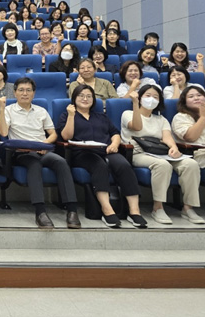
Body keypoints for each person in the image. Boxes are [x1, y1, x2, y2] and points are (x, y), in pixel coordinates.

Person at [57, 84, 146, 228]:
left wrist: (115, 144)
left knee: (124, 165)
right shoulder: (67, 115)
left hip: (106, 149)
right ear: (74, 98)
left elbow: (114, 133)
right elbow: (66, 136)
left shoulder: (101, 116)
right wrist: (71, 116)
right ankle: (107, 209)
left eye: (89, 96)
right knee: (99, 166)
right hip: (82, 153)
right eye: (81, 96)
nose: (85, 99)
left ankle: (134, 211)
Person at [0, 77, 81, 229]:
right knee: (34, 164)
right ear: (15, 93)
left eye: (28, 90)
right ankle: (40, 211)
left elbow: (53, 134)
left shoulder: (41, 111)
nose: (25, 93)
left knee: (61, 162)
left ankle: (72, 210)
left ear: (34, 93)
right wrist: (2, 109)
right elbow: (3, 132)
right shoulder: (9, 110)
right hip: (22, 153)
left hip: (43, 149)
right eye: (21, 90)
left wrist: (45, 144)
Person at [122, 84, 204, 225]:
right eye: (147, 96)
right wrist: (135, 105)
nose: (151, 99)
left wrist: (173, 148)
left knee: (191, 164)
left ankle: (188, 208)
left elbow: (167, 138)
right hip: (138, 153)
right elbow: (137, 127)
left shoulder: (161, 119)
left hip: (160, 153)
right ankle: (158, 207)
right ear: (140, 98)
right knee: (162, 165)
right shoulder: (127, 114)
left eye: (155, 97)